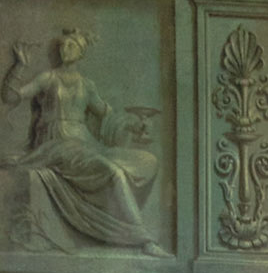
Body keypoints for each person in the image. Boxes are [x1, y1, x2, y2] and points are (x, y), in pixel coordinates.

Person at [2, 31, 163, 253]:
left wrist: (136, 125)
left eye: (71, 45)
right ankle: (144, 240)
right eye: (62, 45)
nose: (64, 49)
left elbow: (108, 115)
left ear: (81, 52)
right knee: (113, 172)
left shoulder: (86, 85)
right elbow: (11, 97)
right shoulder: (48, 78)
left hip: (84, 144)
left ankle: (136, 235)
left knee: (145, 160)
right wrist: (19, 66)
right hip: (56, 144)